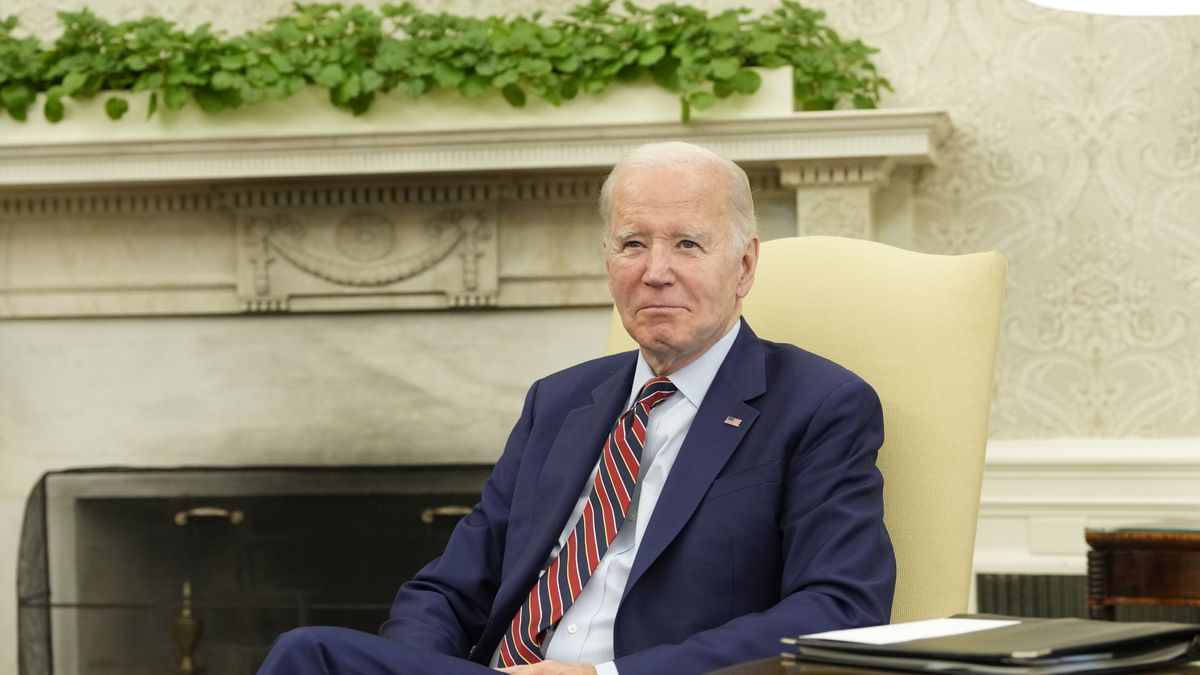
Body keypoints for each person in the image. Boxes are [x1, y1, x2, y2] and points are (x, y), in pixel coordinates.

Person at [258, 142, 895, 675]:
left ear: (745, 264)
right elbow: (448, 590)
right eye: (632, 244)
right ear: (608, 262)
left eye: (688, 245)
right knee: (307, 655)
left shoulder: (819, 405)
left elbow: (839, 609)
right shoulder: (560, 400)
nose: (656, 272)